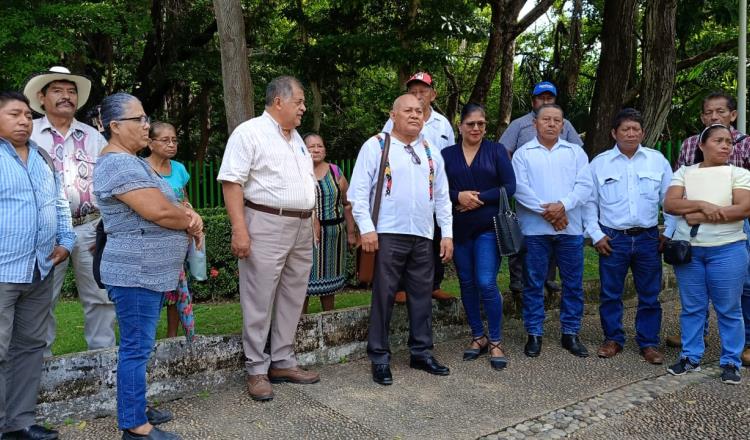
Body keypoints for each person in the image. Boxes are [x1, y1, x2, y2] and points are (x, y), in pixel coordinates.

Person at [93, 93, 203, 439]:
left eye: (145, 117)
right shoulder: (118, 164)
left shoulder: (133, 161)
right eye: (137, 120)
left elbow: (173, 201)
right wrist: (188, 221)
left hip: (149, 272)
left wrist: (188, 214)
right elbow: (158, 211)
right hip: (135, 271)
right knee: (136, 348)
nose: (145, 125)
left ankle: (135, 406)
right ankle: (135, 426)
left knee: (140, 346)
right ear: (114, 126)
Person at [217, 76, 320, 402]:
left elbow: (305, 183)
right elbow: (232, 181)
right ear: (279, 101)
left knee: (293, 295)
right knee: (259, 297)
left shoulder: (297, 139)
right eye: (299, 101)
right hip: (265, 223)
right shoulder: (249, 133)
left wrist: (312, 218)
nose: (304, 107)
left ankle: (283, 360)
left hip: (301, 226)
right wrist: (239, 229)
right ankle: (257, 369)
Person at [348, 94, 454, 385]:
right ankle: (380, 357)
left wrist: (446, 233)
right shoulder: (376, 146)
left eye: (419, 111)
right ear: (393, 115)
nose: (415, 115)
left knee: (422, 296)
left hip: (422, 235)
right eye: (407, 110)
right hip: (387, 233)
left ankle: (421, 352)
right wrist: (367, 228)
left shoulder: (431, 150)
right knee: (384, 296)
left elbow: (442, 196)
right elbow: (357, 193)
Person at [23, 66, 115, 355]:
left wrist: (105, 227)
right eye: (58, 91)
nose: (66, 96)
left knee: (100, 296)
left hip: (90, 226)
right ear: (42, 97)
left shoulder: (93, 137)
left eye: (71, 91)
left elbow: (109, 182)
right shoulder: (29, 134)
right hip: (46, 229)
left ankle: (103, 360)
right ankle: (41, 366)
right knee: (42, 298)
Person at [0, 91, 75, 440]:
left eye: (28, 116)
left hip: (40, 268)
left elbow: (59, 202)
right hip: (3, 271)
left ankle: (20, 422)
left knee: (30, 346)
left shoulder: (42, 156)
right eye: (14, 114)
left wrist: (66, 241)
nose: (24, 121)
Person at [667, 92, 750, 367]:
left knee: (729, 308)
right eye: (718, 141)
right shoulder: (685, 172)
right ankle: (690, 355)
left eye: (728, 141)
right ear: (701, 145)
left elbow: (743, 209)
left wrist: (697, 214)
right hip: (691, 250)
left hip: (728, 248)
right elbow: (671, 203)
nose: (726, 146)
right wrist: (702, 204)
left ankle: (731, 360)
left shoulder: (740, 174)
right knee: (692, 307)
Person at [583, 108, 672, 365]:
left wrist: (669, 231)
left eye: (636, 129)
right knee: (610, 293)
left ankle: (648, 343)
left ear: (643, 132)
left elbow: (670, 200)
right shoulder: (599, 163)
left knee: (649, 294)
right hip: (613, 238)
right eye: (625, 129)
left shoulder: (657, 161)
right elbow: (589, 204)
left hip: (648, 238)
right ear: (614, 133)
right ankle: (613, 338)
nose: (631, 133)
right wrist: (597, 235)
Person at [511, 104, 593, 358]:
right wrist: (550, 213)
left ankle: (571, 332)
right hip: (535, 230)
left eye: (556, 120)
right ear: (535, 123)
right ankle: (534, 333)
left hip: (570, 229)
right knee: (534, 283)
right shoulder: (523, 154)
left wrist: (563, 207)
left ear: (563, 125)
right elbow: (520, 188)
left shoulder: (576, 153)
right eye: (545, 119)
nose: (551, 124)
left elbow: (584, 185)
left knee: (572, 283)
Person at [441, 103, 516, 370]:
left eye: (481, 124)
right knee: (467, 283)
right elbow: (438, 190)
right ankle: (478, 336)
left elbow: (510, 186)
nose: (476, 128)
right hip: (459, 229)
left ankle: (496, 340)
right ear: (460, 126)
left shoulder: (496, 151)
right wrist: (457, 197)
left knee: (485, 282)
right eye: (471, 123)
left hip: (488, 228)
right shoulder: (446, 155)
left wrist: (478, 198)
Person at [500, 81, 582, 299]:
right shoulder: (519, 124)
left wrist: (560, 207)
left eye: (550, 98)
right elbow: (504, 151)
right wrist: (511, 176)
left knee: (554, 237)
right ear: (533, 101)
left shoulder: (565, 125)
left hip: (559, 197)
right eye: (541, 98)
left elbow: (579, 153)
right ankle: (517, 279)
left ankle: (549, 278)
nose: (545, 101)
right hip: (527, 193)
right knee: (523, 239)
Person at [383, 72, 455, 303]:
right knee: (406, 239)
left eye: (422, 92)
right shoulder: (395, 120)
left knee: (434, 240)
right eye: (413, 92)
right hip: (404, 192)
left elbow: (450, 156)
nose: (418, 96)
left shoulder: (443, 124)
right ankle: (401, 287)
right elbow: (384, 152)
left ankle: (434, 284)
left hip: (434, 192)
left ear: (433, 95)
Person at [146, 122, 195, 341]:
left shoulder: (179, 169)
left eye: (174, 140)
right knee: (154, 290)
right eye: (165, 140)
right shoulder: (141, 168)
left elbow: (184, 199)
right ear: (150, 143)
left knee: (178, 288)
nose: (171, 144)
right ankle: (147, 334)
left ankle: (173, 335)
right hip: (152, 239)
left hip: (179, 237)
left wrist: (192, 218)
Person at [302, 133, 358, 313]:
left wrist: (351, 233)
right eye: (311, 147)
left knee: (329, 275)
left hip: (334, 234)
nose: (316, 150)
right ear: (302, 149)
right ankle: (299, 322)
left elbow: (347, 204)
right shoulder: (297, 171)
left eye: (320, 146)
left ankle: (329, 317)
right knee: (302, 280)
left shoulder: (335, 171)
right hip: (305, 235)